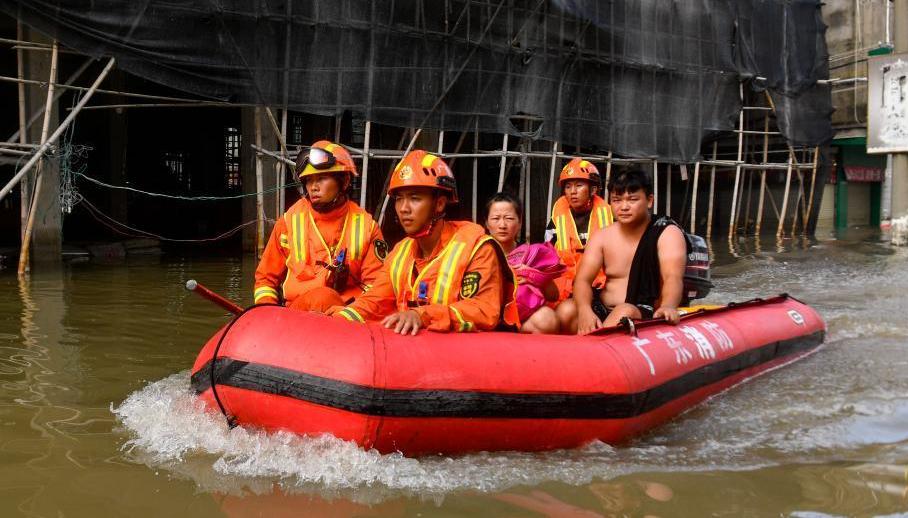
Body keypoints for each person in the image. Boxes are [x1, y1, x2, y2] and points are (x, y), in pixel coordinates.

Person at [327, 150, 519, 334]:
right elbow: (375, 300)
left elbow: (484, 310)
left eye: (415, 198)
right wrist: (341, 318)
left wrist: (423, 315)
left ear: (440, 204)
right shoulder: (400, 253)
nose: (403, 208)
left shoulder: (476, 247)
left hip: (461, 357)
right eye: (399, 199)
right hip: (415, 354)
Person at [253, 140, 385, 312]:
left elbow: (377, 288)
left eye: (321, 179)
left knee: (325, 298)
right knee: (322, 298)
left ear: (344, 182)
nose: (313, 187)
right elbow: (265, 279)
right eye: (309, 180)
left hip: (349, 316)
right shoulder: (289, 222)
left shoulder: (367, 227)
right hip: (297, 315)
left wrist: (351, 312)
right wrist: (266, 312)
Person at [557, 167, 687, 335]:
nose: (624, 207)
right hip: (602, 308)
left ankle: (592, 351)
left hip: (642, 311)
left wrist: (668, 306)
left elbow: (672, 277)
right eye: (617, 200)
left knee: (624, 311)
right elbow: (582, 280)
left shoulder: (666, 233)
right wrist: (585, 310)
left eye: (632, 200)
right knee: (566, 310)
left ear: (649, 201)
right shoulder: (602, 236)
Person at [485, 192, 562, 334]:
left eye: (509, 218)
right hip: (485, 317)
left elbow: (554, 296)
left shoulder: (531, 254)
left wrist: (533, 275)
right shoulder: (478, 253)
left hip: (520, 320)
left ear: (519, 223)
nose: (502, 225)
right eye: (496, 218)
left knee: (548, 319)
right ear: (486, 223)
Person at [545, 158, 614, 301]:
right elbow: (548, 255)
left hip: (602, 287)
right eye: (568, 186)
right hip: (566, 289)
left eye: (579, 185)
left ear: (593, 189)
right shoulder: (556, 218)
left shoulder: (610, 216)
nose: (573, 192)